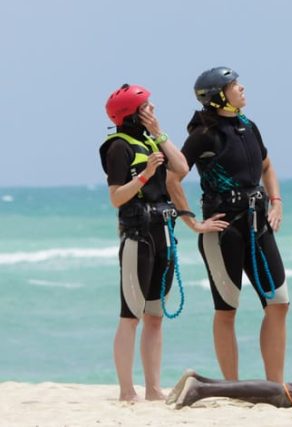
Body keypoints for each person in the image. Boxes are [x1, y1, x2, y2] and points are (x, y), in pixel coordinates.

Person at [166, 66, 290, 383]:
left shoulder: (248, 126)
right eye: (235, 85)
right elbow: (172, 178)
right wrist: (191, 220)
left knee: (279, 304)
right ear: (219, 95)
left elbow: (267, 166)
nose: (242, 87)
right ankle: (232, 385)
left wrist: (276, 202)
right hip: (224, 232)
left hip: (258, 225)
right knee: (227, 310)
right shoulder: (202, 136)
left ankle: (275, 385)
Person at [99, 83, 190, 401]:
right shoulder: (119, 147)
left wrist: (160, 133)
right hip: (138, 237)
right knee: (130, 316)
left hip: (162, 233)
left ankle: (153, 389)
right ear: (131, 115)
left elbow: (181, 168)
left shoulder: (152, 140)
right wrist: (143, 176)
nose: (152, 110)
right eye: (147, 107)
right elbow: (115, 198)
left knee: (155, 316)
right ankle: (127, 391)